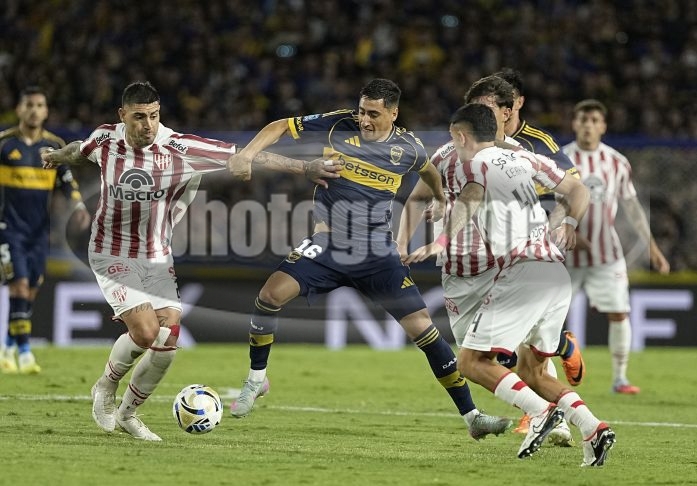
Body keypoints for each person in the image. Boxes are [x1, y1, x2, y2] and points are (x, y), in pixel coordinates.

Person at [41, 81, 340, 441]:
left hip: (156, 255)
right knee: (146, 332)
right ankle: (105, 387)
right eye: (139, 117)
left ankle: (128, 414)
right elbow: (80, 150)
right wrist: (57, 156)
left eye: (154, 116)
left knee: (168, 340)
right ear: (123, 116)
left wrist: (304, 168)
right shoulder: (106, 139)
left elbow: (247, 155)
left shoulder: (180, 148)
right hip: (110, 251)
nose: (148, 125)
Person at [225, 78, 511, 440]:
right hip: (328, 244)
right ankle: (256, 380)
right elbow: (280, 125)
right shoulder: (338, 124)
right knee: (269, 296)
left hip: (377, 253)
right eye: (362, 111)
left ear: (393, 113)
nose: (364, 119)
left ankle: (472, 417)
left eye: (373, 114)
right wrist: (248, 154)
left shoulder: (408, 147)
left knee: (424, 330)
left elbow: (428, 170)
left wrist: (440, 199)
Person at [407, 103, 616, 467]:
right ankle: (593, 428)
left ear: (461, 136)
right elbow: (577, 189)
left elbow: (471, 196)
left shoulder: (473, 164)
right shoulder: (526, 158)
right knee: (532, 372)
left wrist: (440, 241)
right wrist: (568, 222)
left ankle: (539, 413)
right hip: (554, 272)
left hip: (522, 272)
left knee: (471, 362)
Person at [397, 75, 578, 447]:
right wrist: (404, 242)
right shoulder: (447, 153)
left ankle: (550, 417)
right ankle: (560, 358)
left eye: (490, 108)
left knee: (508, 354)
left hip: (506, 264)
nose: (483, 114)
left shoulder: (521, 152)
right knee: (478, 355)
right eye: (477, 108)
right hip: (459, 269)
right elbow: (422, 196)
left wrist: (561, 223)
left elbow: (570, 189)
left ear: (507, 112)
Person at [493, 68, 585, 434]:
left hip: (536, 243)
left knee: (522, 340)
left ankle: (539, 415)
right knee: (518, 338)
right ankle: (563, 346)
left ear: (517, 103)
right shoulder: (481, 141)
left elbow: (573, 188)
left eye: (503, 101)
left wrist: (558, 224)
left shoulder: (539, 143)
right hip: (498, 246)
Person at [562, 99, 670, 394]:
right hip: (565, 256)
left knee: (619, 312)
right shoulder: (561, 158)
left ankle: (620, 379)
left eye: (594, 120)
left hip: (606, 254)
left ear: (603, 126)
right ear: (574, 124)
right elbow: (546, 204)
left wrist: (652, 248)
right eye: (583, 119)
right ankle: (546, 380)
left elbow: (632, 207)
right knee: (547, 319)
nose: (588, 125)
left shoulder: (616, 162)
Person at [0, 86, 90, 374]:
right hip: (8, 228)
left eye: (39, 105)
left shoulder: (54, 145)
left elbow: (66, 181)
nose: (34, 110)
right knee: (19, 285)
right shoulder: (4, 144)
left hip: (39, 231)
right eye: (29, 105)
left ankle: (7, 347)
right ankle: (25, 353)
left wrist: (78, 205)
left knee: (30, 290)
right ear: (19, 109)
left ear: (46, 111)